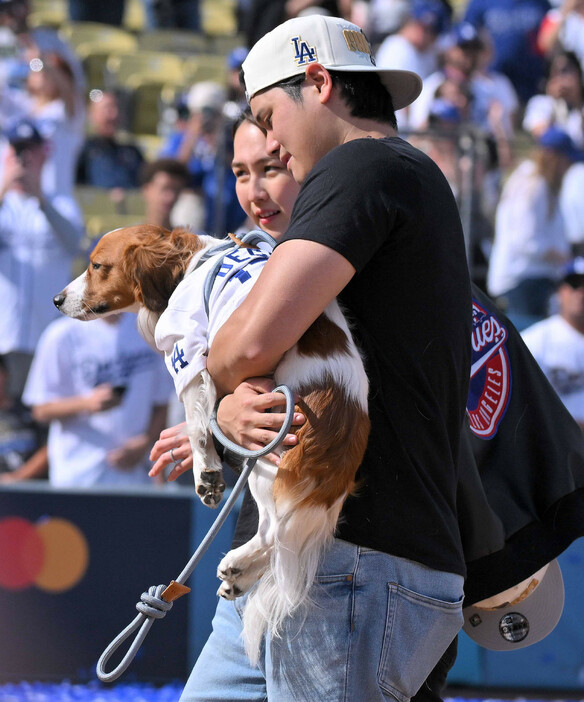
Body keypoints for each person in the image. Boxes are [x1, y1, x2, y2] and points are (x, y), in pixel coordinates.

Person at [152, 107, 584, 701]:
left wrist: (224, 402)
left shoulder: (388, 275)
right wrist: (222, 420)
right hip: (274, 570)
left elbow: (452, 423)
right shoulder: (253, 277)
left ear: (317, 169)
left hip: (363, 566)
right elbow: (285, 416)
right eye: (240, 171)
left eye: (275, 166)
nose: (256, 190)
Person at [166, 15, 471, 702]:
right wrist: (231, 404)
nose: (269, 141)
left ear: (320, 83)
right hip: (302, 563)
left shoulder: (363, 165)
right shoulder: (401, 178)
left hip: (351, 562)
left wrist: (220, 380)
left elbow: (245, 344)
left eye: (269, 117)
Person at [22, 312, 173, 487]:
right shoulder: (62, 333)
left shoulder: (148, 329)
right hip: (78, 477)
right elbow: (40, 409)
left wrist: (147, 441)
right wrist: (86, 404)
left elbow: (162, 400)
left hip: (136, 477)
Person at [0, 119, 84, 399]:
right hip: (5, 333)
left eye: (31, 151)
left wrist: (40, 199)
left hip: (46, 333)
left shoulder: (61, 203)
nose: (25, 159)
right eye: (18, 151)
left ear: (44, 154)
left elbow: (75, 244)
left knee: (40, 419)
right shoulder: (3, 205)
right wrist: (4, 188)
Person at [486, 126, 576, 330]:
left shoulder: (539, 184)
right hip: (524, 282)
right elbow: (526, 241)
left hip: (533, 281)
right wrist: (563, 257)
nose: (568, 167)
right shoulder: (532, 186)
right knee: (528, 348)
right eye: (566, 160)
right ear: (553, 157)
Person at [522, 257, 584, 431]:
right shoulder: (535, 341)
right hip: (556, 443)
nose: (580, 292)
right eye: (574, 284)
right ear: (561, 291)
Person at [463, 0, 551, 105]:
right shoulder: (481, 2)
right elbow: (467, 39)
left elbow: (551, 32)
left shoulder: (540, 3)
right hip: (493, 84)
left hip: (533, 83)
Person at [76, 91, 146, 192]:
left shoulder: (131, 152)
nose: (114, 114)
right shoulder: (83, 151)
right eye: (108, 109)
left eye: (116, 108)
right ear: (92, 114)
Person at [0, 355, 48, 484]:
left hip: (33, 493)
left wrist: (18, 478)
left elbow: (49, 448)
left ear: (6, 374)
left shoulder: (31, 410)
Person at [139, 158, 189, 230]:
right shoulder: (125, 238)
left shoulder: (193, 238)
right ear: (146, 190)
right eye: (165, 188)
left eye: (176, 190)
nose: (171, 197)